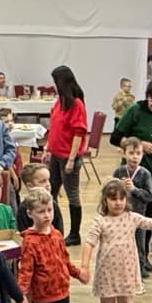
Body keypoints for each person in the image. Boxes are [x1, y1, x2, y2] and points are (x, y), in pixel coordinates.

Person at [16, 191, 90, 303]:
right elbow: (26, 271)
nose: (47, 215)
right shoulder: (30, 241)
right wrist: (21, 294)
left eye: (49, 210)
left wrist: (78, 273)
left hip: (62, 292)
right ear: (30, 213)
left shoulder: (57, 234)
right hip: (43, 296)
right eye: (41, 211)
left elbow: (65, 260)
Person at [110, 77, 152, 221]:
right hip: (133, 175)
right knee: (128, 218)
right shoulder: (135, 111)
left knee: (148, 219)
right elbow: (115, 138)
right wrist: (140, 145)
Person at [44, 66, 91, 246]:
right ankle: (55, 228)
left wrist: (71, 159)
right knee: (51, 191)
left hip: (67, 157)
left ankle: (75, 234)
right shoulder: (60, 102)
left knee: (72, 195)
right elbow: (54, 128)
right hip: (56, 155)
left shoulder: (76, 104)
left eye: (56, 82)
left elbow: (79, 133)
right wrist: (48, 148)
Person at [112, 137, 152, 276]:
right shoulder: (119, 172)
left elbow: (149, 196)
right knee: (121, 242)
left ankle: (141, 266)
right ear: (124, 154)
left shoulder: (145, 174)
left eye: (138, 153)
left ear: (142, 155)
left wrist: (134, 189)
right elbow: (111, 192)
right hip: (121, 216)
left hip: (139, 215)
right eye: (131, 153)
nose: (135, 157)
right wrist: (119, 186)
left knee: (139, 243)